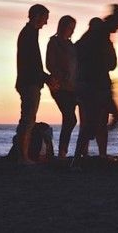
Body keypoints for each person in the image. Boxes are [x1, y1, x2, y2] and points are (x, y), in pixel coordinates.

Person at [74, 4, 118, 158]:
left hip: (94, 84)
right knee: (93, 123)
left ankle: (87, 155)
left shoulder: (96, 36)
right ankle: (79, 158)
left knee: (97, 122)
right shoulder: (100, 35)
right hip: (94, 86)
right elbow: (111, 63)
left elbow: (110, 63)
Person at [16, 4, 53, 164]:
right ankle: (22, 156)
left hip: (29, 81)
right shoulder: (29, 34)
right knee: (28, 119)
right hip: (29, 82)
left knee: (27, 118)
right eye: (45, 18)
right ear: (37, 16)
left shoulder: (30, 33)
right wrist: (46, 78)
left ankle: (22, 154)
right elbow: (32, 63)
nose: (45, 23)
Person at [46, 15, 77, 158]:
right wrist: (61, 76)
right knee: (70, 118)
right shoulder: (54, 42)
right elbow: (50, 64)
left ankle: (64, 151)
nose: (71, 31)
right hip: (60, 86)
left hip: (73, 86)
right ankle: (62, 151)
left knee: (69, 118)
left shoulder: (71, 45)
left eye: (73, 28)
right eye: (69, 27)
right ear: (62, 26)